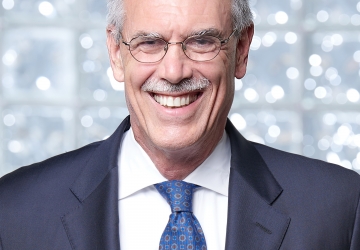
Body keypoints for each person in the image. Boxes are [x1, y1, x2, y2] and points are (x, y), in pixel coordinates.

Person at [0, 0, 359, 249]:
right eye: (150, 42)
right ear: (115, 52)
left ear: (242, 49)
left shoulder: (338, 208)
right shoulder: (15, 211)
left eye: (202, 41)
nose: (174, 72)